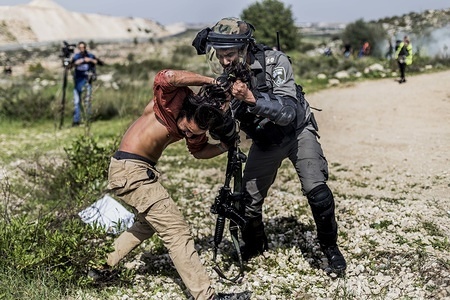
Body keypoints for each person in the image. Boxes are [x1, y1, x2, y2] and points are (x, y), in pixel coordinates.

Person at [192, 17, 347, 274]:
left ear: (244, 48)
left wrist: (250, 97)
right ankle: (255, 244)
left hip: (297, 132)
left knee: (316, 191)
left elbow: (287, 111)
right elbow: (228, 127)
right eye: (219, 55)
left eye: (229, 54)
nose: (224, 61)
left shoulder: (275, 62)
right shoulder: (226, 76)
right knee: (247, 201)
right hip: (265, 141)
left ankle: (330, 247)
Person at [102, 69, 251, 300]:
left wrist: (224, 146)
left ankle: (98, 266)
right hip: (130, 170)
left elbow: (199, 151)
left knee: (146, 225)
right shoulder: (170, 100)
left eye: (194, 133)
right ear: (188, 111)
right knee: (177, 232)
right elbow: (166, 77)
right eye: (187, 129)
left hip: (136, 171)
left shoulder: (200, 120)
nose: (187, 134)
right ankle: (207, 297)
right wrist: (212, 81)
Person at [71, 41, 98, 126]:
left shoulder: (90, 56)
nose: (82, 49)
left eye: (83, 47)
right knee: (76, 102)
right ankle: (76, 120)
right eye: (80, 48)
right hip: (78, 82)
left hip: (87, 81)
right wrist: (76, 63)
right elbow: (70, 65)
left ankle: (88, 119)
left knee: (87, 101)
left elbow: (97, 62)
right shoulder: (76, 57)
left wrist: (89, 60)